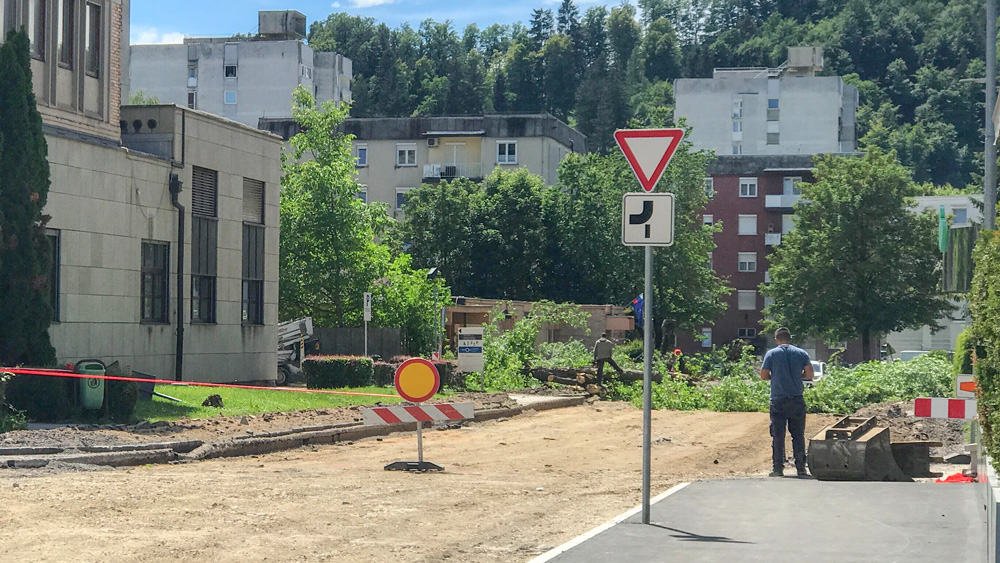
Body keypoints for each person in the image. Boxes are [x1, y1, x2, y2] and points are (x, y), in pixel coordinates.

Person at [760, 327, 814, 477]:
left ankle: (778, 468)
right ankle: (801, 468)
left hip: (778, 400)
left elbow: (764, 375)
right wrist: (798, 377)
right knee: (798, 435)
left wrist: (775, 377)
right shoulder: (801, 353)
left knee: (778, 435)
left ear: (777, 339)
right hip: (796, 399)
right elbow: (810, 374)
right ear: (789, 338)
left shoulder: (771, 354)